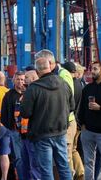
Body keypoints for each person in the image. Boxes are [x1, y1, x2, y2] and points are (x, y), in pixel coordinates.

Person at [21, 55, 74, 180]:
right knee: (63, 166)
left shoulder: (33, 88)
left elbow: (25, 113)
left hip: (42, 134)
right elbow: (72, 106)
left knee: (46, 170)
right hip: (60, 131)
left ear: (37, 71)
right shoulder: (63, 83)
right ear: (49, 67)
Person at [37, 49, 78, 177]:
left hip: (64, 122)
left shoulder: (63, 74)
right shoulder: (55, 75)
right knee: (59, 162)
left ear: (48, 62)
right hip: (57, 122)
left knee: (64, 161)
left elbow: (67, 99)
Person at [0, 71, 29, 180]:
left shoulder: (29, 94)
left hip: (28, 132)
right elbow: (4, 114)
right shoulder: (9, 95)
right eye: (18, 79)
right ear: (13, 81)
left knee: (29, 158)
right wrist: (10, 128)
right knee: (18, 158)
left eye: (22, 79)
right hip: (14, 132)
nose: (20, 82)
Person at [63, 60, 86, 180]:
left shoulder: (70, 84)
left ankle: (71, 173)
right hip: (76, 121)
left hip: (71, 120)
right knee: (73, 149)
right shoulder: (79, 84)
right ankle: (80, 171)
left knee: (68, 150)